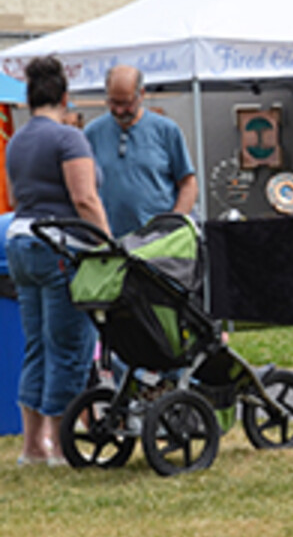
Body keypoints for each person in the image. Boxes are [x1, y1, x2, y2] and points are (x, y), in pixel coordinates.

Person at [5, 56, 111, 465]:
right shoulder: (69, 139)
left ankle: (33, 446)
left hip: (20, 243)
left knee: (36, 346)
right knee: (69, 346)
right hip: (59, 247)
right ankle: (64, 448)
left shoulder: (17, 141)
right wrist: (106, 245)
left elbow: (16, 200)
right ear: (65, 98)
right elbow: (85, 198)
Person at [83, 65, 197, 236]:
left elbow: (188, 183)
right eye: (113, 102)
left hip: (157, 241)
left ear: (141, 94)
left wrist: (174, 226)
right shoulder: (91, 133)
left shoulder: (166, 130)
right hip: (110, 241)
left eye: (126, 103)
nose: (120, 111)